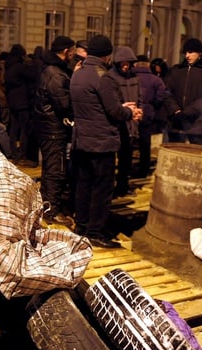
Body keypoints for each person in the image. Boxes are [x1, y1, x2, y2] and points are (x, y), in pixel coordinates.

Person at [70, 35, 142, 248]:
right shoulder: (104, 77)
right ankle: (95, 232)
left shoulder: (78, 74)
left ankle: (81, 227)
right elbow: (113, 111)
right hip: (101, 143)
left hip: (82, 140)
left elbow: (94, 106)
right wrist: (130, 112)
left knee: (84, 186)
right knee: (101, 189)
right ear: (107, 55)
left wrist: (122, 108)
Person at [32, 35, 76, 224]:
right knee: (55, 170)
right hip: (53, 129)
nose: (74, 54)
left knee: (50, 168)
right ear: (66, 51)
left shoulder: (52, 70)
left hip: (47, 127)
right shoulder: (57, 75)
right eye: (72, 51)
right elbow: (64, 105)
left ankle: (45, 205)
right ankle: (51, 211)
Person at [163, 38, 202, 145]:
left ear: (199, 53)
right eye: (185, 52)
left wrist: (187, 113)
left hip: (199, 122)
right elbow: (167, 92)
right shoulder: (177, 69)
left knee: (196, 155)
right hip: (176, 122)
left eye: (190, 52)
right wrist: (175, 110)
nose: (187, 56)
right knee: (175, 154)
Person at [107, 46, 143, 198]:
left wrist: (140, 110)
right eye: (123, 63)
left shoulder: (135, 78)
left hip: (131, 123)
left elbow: (139, 97)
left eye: (128, 63)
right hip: (117, 123)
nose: (126, 66)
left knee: (126, 158)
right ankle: (110, 188)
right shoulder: (111, 77)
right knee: (110, 160)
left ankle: (123, 186)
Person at [133, 54, 168, 177]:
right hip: (147, 112)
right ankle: (144, 169)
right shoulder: (155, 80)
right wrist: (153, 104)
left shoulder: (130, 77)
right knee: (145, 142)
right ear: (148, 65)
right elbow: (161, 96)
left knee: (128, 141)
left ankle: (127, 168)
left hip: (130, 111)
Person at [5, 44, 37, 167]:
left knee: (13, 130)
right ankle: (22, 155)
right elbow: (32, 75)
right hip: (22, 102)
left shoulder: (9, 66)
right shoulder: (20, 67)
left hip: (12, 101)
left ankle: (14, 154)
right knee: (24, 129)